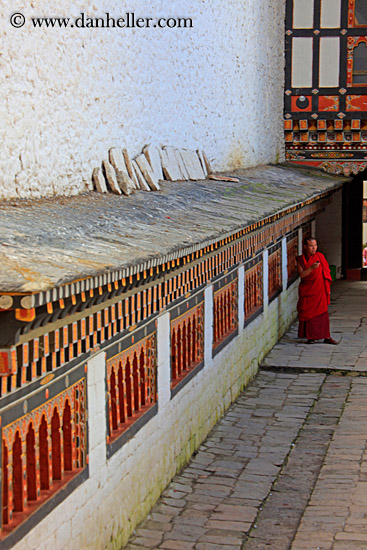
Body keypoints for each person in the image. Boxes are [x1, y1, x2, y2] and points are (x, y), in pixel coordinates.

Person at [296, 237, 337, 344]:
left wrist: (327, 288)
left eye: (315, 245)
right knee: (309, 312)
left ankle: (326, 336)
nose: (314, 248)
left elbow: (327, 273)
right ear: (305, 247)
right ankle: (311, 337)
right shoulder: (301, 260)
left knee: (322, 314)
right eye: (311, 246)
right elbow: (302, 275)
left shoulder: (320, 257)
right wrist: (311, 268)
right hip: (308, 290)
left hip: (320, 290)